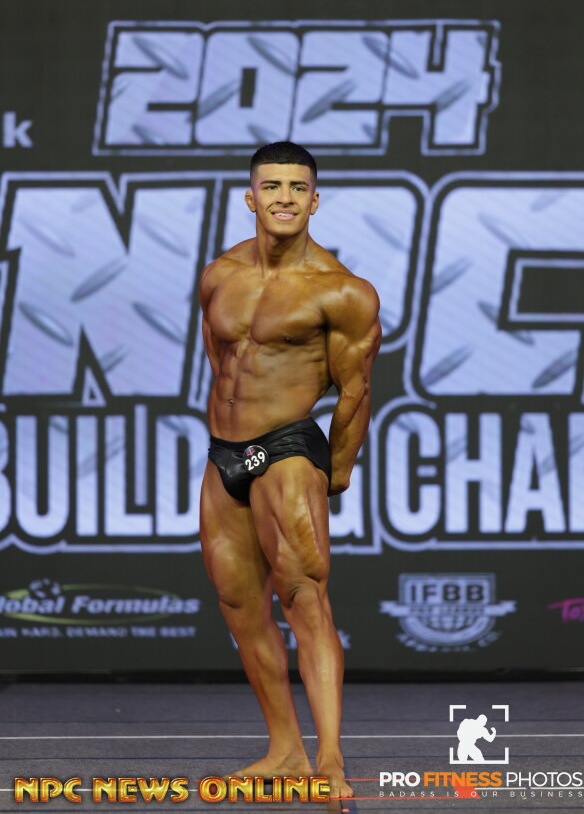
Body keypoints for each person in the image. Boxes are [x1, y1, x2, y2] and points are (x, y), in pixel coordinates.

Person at [199, 141, 381, 799]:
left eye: (297, 188)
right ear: (250, 198)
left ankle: (329, 759)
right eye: (272, 187)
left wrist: (336, 470)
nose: (284, 198)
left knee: (304, 595)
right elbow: (221, 360)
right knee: (239, 604)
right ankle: (285, 751)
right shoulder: (218, 275)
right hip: (224, 456)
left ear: (315, 200)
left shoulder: (342, 291)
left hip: (288, 449)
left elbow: (355, 391)